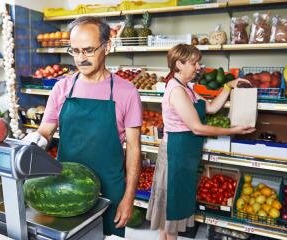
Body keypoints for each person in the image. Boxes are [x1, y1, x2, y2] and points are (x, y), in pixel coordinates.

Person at [24, 16, 142, 237]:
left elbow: (134, 149)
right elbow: (45, 131)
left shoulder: (127, 92)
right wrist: (34, 141)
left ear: (106, 47)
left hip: (109, 188)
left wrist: (129, 197)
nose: (81, 58)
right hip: (64, 187)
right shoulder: (62, 88)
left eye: (88, 50)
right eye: (75, 51)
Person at [146, 44, 255, 240]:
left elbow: (212, 108)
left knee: (171, 209)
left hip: (185, 153)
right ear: (179, 64)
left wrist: (228, 86)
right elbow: (197, 127)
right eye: (193, 63)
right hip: (175, 154)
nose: (198, 67)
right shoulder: (176, 91)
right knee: (173, 209)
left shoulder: (187, 88)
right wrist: (232, 131)